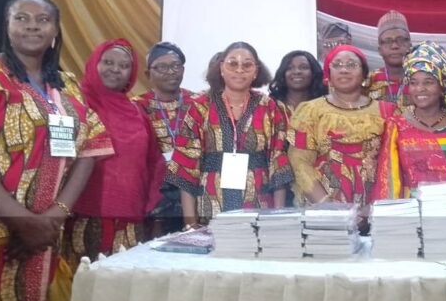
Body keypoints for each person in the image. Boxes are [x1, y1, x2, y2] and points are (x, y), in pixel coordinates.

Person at [0, 0, 113, 301]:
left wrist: (56, 214)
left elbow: (92, 146)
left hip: (48, 232)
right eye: (21, 18)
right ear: (6, 26)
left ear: (55, 30)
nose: (32, 26)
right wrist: (21, 221)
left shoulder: (67, 86)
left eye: (43, 20)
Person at [63, 39, 163, 265]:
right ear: (94, 63)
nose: (116, 69)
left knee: (123, 280)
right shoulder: (75, 104)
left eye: (124, 66)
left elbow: (152, 161)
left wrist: (150, 207)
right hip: (82, 215)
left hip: (130, 217)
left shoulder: (137, 111)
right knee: (83, 280)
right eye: (108, 62)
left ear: (132, 73)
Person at [167, 42, 292, 222]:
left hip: (259, 207)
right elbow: (186, 166)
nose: (239, 70)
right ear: (221, 68)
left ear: (256, 71)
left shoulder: (269, 107)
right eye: (232, 63)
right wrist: (190, 224)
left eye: (247, 65)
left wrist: (278, 218)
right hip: (211, 207)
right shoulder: (201, 106)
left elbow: (278, 162)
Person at [371, 42, 446, 229]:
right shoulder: (397, 125)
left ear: (442, 86)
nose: (420, 89)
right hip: (411, 219)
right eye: (414, 83)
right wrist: (394, 222)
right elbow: (390, 177)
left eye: (428, 82)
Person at [288, 45, 395, 207]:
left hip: (377, 206)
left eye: (351, 65)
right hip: (324, 208)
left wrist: (376, 208)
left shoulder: (387, 111)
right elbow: (299, 162)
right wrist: (327, 206)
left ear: (364, 74)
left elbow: (393, 166)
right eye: (337, 65)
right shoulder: (310, 110)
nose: (344, 70)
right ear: (328, 75)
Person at [134, 42, 196, 236]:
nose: (170, 72)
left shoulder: (198, 103)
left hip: (194, 189)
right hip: (155, 192)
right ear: (148, 74)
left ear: (183, 70)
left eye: (175, 66)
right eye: (162, 67)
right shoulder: (137, 106)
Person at [367, 10, 412, 106]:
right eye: (388, 41)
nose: (394, 46)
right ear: (380, 50)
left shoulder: (421, 79)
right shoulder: (369, 80)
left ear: (409, 45)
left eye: (400, 40)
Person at [268, 50, 327, 118]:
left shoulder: (325, 106)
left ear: (314, 72)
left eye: (303, 67)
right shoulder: (270, 105)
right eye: (290, 68)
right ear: (283, 73)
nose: (297, 72)